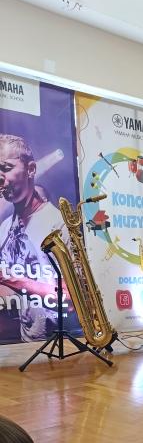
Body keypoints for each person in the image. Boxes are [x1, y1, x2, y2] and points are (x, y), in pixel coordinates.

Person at [0, 134, 65, 342]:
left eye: (6, 168)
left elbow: (70, 300)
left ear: (31, 169)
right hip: (25, 340)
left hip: (62, 343)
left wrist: (9, 279)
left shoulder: (58, 224)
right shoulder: (4, 228)